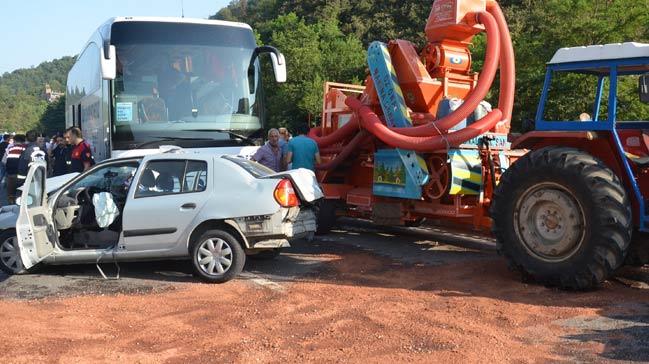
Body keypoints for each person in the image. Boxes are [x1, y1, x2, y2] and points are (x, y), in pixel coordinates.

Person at [4, 134, 26, 204]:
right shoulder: (25, 149)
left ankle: (11, 206)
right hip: (22, 175)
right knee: (21, 195)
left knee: (11, 195)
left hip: (10, 175)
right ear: (24, 141)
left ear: (14, 141)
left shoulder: (9, 149)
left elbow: (4, 161)